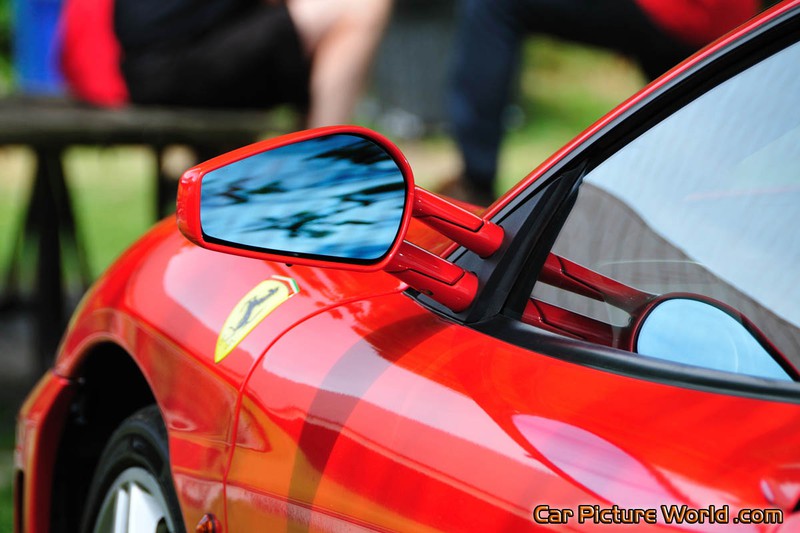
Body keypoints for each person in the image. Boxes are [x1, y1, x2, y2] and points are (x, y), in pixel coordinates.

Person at [446, 0, 760, 206]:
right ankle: (708, 194)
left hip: (673, 9)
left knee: (493, 4)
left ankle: (475, 183)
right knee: (686, 104)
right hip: (731, 15)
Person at [60, 0, 393, 128]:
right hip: (158, 69)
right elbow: (143, 27)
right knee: (363, 7)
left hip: (158, 64)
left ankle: (322, 153)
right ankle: (325, 165)